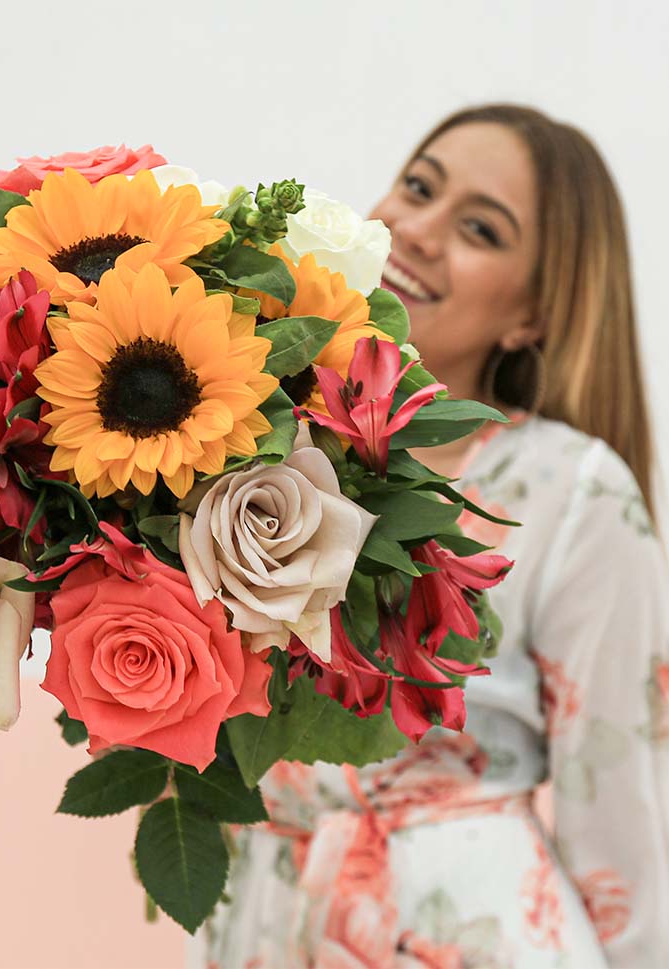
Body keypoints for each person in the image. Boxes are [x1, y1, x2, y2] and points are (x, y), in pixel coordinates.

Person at [190, 104, 669, 968]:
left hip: (466, 931)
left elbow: (620, 798)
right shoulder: (253, 427)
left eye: (479, 228)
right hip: (263, 910)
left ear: (532, 314)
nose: (415, 229)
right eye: (417, 187)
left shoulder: (573, 488)